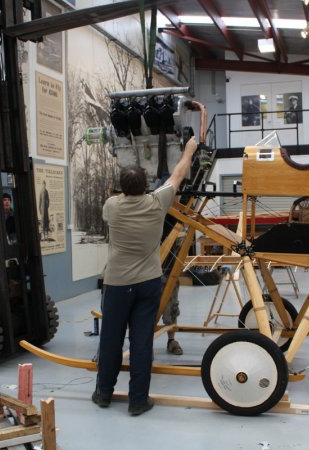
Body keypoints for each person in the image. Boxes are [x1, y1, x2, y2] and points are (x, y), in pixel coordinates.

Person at [92, 136, 198, 416]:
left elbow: (117, 197)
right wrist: (189, 149)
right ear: (146, 186)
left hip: (116, 285)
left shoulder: (112, 206)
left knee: (111, 340)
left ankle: (103, 393)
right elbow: (178, 174)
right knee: (141, 342)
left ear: (122, 188)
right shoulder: (157, 202)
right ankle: (138, 401)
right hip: (148, 284)